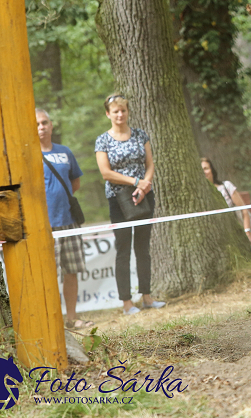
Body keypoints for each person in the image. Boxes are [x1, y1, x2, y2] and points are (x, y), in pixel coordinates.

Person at [94, 94, 165, 315]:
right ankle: (126, 302)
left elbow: (150, 164)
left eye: (123, 110)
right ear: (108, 114)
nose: (120, 114)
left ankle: (147, 297)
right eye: (115, 111)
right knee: (123, 249)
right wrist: (134, 181)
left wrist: (144, 186)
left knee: (143, 248)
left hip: (144, 196)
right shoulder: (103, 140)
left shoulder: (140, 135)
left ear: (128, 112)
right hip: (118, 199)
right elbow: (106, 172)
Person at [36, 108, 94, 330]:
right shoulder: (29, 153)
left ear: (51, 125)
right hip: (43, 226)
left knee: (71, 271)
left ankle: (71, 318)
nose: (41, 127)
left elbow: (75, 183)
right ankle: (51, 320)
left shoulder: (65, 152)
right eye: (37, 124)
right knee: (47, 274)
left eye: (44, 122)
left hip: (68, 221)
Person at [201, 157, 251, 241]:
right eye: (201, 170)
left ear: (212, 170)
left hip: (235, 235)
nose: (204, 172)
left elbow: (244, 210)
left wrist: (247, 233)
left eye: (206, 168)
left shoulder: (226, 187)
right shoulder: (200, 194)